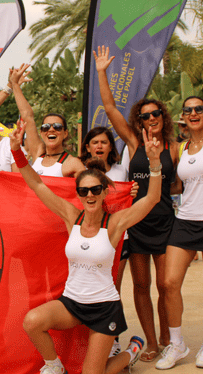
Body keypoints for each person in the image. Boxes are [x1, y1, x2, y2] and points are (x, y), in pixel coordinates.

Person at [12, 120, 166, 374]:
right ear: (79, 194)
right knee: (32, 321)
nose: (90, 195)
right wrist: (16, 151)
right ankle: (55, 367)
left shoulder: (115, 223)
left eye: (95, 189)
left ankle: (131, 351)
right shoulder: (71, 216)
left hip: (104, 308)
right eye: (84, 191)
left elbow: (152, 198)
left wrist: (155, 162)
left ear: (105, 192)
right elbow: (37, 184)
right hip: (72, 303)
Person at [94, 45, 179, 361]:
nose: (151, 118)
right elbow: (109, 107)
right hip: (138, 222)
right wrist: (102, 72)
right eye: (145, 116)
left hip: (166, 222)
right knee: (141, 286)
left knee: (167, 286)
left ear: (163, 117)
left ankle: (170, 338)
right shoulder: (133, 143)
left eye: (155, 114)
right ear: (139, 121)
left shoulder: (174, 147)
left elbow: (178, 184)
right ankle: (153, 342)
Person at [157, 38, 203, 370]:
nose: (193, 113)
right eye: (187, 110)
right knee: (169, 282)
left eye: (198, 109)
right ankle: (177, 345)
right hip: (185, 221)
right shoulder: (181, 149)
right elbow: (175, 185)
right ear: (183, 119)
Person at [79, 126, 132, 357]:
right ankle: (89, 340)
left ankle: (114, 339)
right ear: (87, 147)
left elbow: (129, 200)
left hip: (118, 240)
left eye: (104, 142)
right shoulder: (79, 172)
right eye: (95, 142)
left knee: (112, 290)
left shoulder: (122, 171)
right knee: (85, 291)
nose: (99, 146)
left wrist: (131, 192)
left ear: (111, 147)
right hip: (88, 242)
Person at [8, 64, 84, 177]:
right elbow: (27, 115)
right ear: (42, 133)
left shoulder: (73, 163)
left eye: (57, 127)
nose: (51, 130)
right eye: (46, 127)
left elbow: (89, 185)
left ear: (65, 133)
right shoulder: (38, 152)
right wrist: (15, 84)